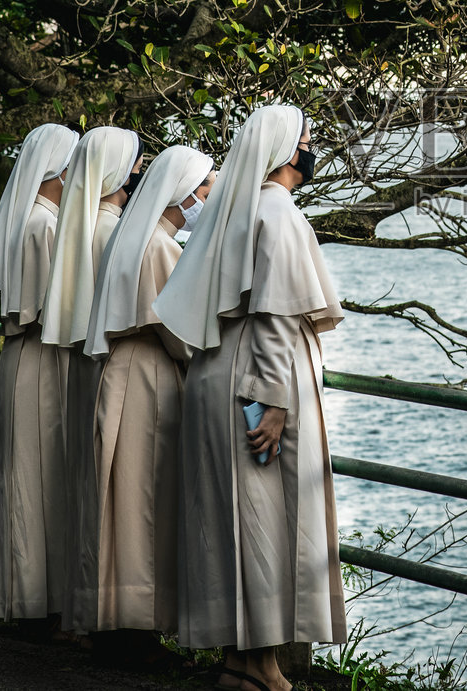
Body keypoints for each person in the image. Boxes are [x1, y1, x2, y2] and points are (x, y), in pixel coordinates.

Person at [155, 105, 346, 691]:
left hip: (218, 372)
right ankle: (265, 668)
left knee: (226, 517)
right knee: (264, 520)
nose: (313, 147)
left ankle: (237, 662)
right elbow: (274, 317)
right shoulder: (277, 213)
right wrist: (274, 402)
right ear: (289, 150)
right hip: (256, 381)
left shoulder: (230, 212)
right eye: (309, 138)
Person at [81, 144, 215, 669]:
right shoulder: (160, 247)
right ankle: (138, 630)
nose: (205, 197)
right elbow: (180, 331)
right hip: (150, 377)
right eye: (201, 189)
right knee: (145, 501)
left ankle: (113, 619)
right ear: (181, 192)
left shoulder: (130, 238)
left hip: (122, 373)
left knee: (119, 498)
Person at [39, 123, 143, 638]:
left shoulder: (76, 225)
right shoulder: (113, 229)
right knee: (107, 489)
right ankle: (108, 616)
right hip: (109, 367)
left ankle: (80, 609)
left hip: (80, 361)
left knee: (83, 482)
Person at [0, 122, 79, 629]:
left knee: (21, 478)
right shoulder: (45, 226)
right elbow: (52, 308)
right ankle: (43, 601)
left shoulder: (27, 220)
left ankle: (24, 594)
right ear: (58, 171)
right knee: (42, 478)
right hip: (42, 358)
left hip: (19, 359)